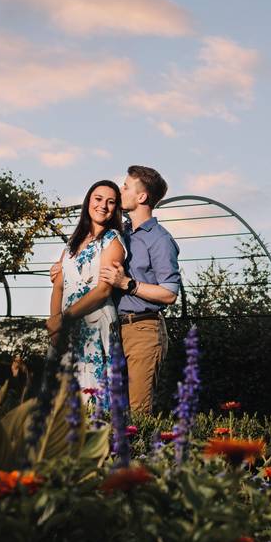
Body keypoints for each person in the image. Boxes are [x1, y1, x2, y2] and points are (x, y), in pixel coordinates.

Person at [51, 166, 180, 414]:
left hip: (143, 329)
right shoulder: (121, 232)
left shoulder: (160, 239)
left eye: (125, 187)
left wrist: (128, 284)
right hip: (112, 328)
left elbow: (169, 293)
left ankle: (140, 454)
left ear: (141, 197)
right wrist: (63, 267)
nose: (120, 191)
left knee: (136, 410)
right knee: (111, 408)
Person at [45, 180, 126, 409]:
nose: (103, 206)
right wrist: (54, 323)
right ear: (88, 201)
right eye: (98, 199)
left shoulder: (113, 241)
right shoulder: (72, 243)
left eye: (111, 202)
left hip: (95, 323)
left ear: (115, 208)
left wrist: (63, 319)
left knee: (92, 393)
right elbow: (58, 286)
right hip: (65, 326)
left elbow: (103, 290)